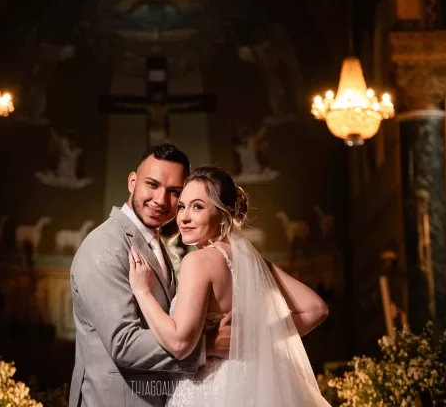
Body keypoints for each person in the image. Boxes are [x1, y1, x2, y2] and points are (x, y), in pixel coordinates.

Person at [129, 166, 331, 406]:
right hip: (254, 386)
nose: (183, 217)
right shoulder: (251, 260)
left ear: (222, 213)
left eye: (198, 207)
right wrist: (254, 339)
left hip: (209, 390)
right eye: (182, 206)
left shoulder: (197, 261)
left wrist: (142, 293)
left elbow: (180, 344)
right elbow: (316, 309)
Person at [69, 145, 231, 407]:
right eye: (152, 185)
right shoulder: (104, 246)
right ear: (132, 182)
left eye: (173, 192)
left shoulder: (157, 244)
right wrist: (206, 346)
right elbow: (124, 343)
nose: (160, 199)